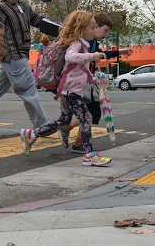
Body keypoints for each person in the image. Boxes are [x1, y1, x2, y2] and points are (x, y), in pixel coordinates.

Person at [20, 11, 112, 167]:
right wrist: (91, 56)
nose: (94, 30)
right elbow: (70, 57)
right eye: (92, 27)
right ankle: (89, 154)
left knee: (63, 120)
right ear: (82, 29)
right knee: (87, 117)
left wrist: (93, 79)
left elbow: (80, 67)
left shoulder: (83, 44)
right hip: (70, 90)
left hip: (67, 89)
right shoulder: (77, 43)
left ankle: (32, 134)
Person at [0, 0, 56, 129]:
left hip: (16, 56)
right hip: (13, 55)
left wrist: (62, 30)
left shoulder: (23, 6)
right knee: (28, 90)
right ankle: (41, 125)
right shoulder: (1, 8)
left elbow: (38, 20)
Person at [59, 12, 132, 153]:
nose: (106, 33)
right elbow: (76, 56)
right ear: (95, 26)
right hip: (82, 82)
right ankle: (72, 135)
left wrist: (119, 51)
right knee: (89, 113)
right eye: (105, 30)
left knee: (90, 113)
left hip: (87, 81)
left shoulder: (92, 43)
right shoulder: (86, 42)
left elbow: (102, 54)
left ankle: (77, 140)